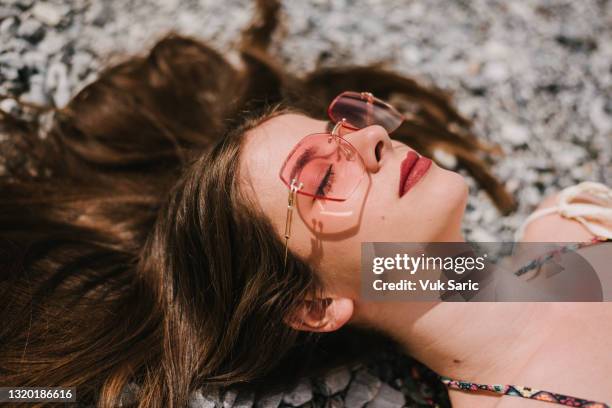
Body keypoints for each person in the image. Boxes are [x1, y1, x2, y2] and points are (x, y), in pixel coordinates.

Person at [1, 1, 610, 407]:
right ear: (314, 306)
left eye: (349, 124)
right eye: (321, 180)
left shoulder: (575, 220)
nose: (376, 138)